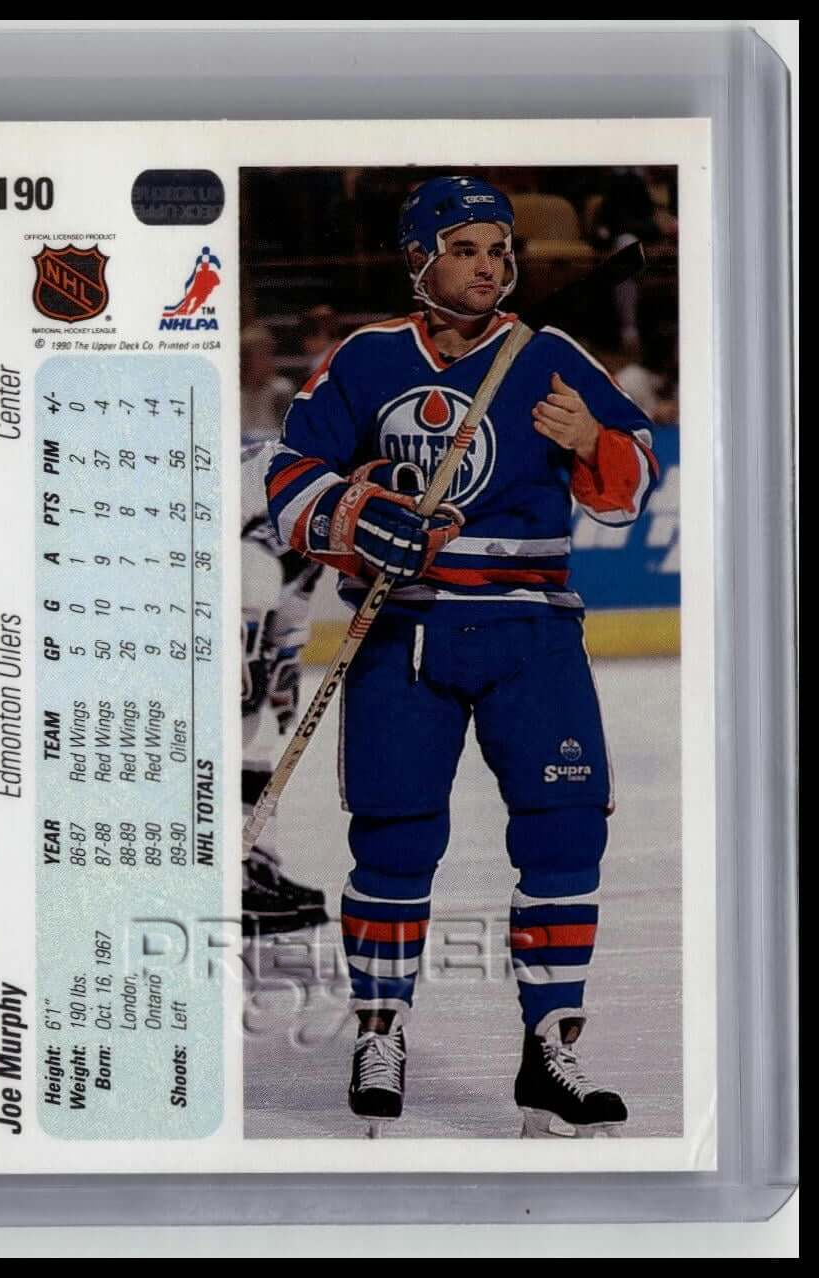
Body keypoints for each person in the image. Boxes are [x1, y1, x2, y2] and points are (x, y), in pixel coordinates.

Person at [264, 175, 659, 1137]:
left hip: (532, 634)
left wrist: (593, 439)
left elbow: (630, 483)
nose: (489, 266)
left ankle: (550, 1050)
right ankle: (381, 1031)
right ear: (419, 259)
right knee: (394, 841)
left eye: (500, 250)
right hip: (406, 634)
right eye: (466, 249)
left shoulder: (550, 355)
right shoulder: (366, 358)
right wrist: (358, 515)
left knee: (565, 835)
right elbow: (289, 474)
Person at [241, 440, 328, 935]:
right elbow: (249, 558)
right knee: (237, 726)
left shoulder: (329, 510)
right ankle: (224, 870)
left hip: (251, 600)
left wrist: (285, 668)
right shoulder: (289, 470)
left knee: (262, 731)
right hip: (207, 593)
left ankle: (254, 861)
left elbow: (298, 593)